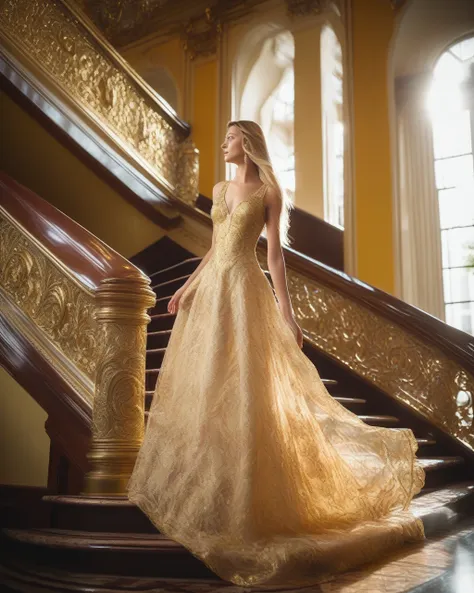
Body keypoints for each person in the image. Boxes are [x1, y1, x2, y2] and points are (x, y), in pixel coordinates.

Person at [126, 120, 425, 588]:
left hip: (246, 291)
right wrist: (187, 286)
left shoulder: (267, 190)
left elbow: (274, 256)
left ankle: (247, 491)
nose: (222, 144)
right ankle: (210, 485)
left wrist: (288, 314)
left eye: (228, 137)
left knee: (245, 387)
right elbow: (213, 247)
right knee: (206, 383)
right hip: (213, 292)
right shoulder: (220, 186)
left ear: (246, 141)